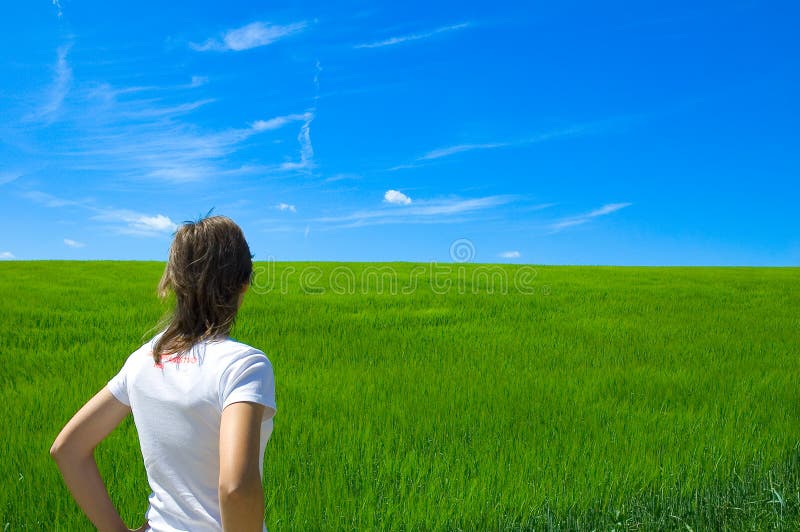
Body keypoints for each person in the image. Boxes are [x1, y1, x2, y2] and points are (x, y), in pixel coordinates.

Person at [50, 215, 277, 532]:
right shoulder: (244, 365)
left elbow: (68, 449)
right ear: (244, 283)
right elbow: (236, 489)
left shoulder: (143, 359)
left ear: (174, 282)